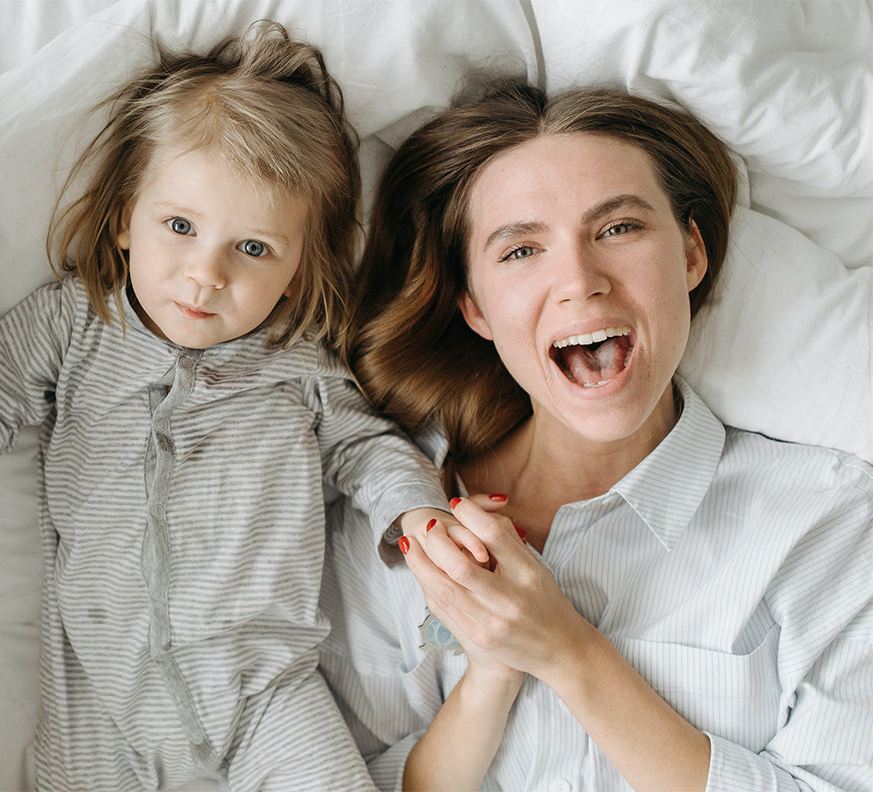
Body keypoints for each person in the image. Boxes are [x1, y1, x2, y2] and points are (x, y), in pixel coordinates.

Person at [0, 22, 451, 792]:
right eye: (179, 227)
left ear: (298, 271)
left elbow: (369, 449)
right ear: (124, 219)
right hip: (98, 709)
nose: (204, 274)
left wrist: (416, 515)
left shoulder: (298, 365)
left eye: (252, 249)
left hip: (265, 696)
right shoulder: (75, 322)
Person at [319, 77, 873, 791]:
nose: (580, 280)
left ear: (692, 256)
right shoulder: (387, 520)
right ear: (474, 305)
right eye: (520, 250)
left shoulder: (830, 527)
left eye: (619, 228)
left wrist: (568, 652)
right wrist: (491, 671)